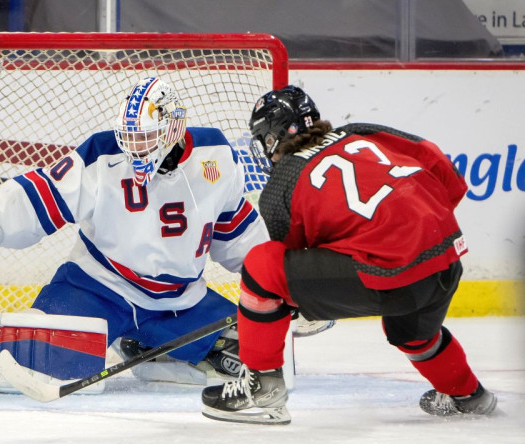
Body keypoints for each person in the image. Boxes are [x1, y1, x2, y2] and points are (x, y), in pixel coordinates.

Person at [0, 76, 272, 383]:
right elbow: (38, 197)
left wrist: (276, 278)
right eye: (130, 138)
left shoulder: (216, 156)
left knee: (250, 346)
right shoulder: (101, 156)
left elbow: (234, 229)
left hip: (179, 302)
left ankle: (143, 346)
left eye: (145, 139)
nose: (135, 149)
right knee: (48, 356)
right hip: (96, 288)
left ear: (173, 129)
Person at [200, 85, 497, 424]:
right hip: (446, 255)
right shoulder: (361, 131)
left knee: (260, 267)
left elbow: (283, 275)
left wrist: (276, 311)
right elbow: (441, 167)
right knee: (414, 335)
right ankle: (469, 395)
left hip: (389, 276)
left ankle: (261, 387)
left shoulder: (282, 182)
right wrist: (417, 230)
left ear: (270, 139)